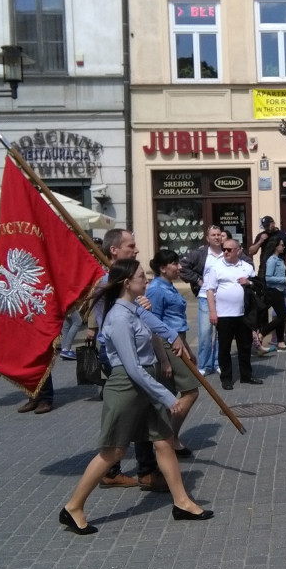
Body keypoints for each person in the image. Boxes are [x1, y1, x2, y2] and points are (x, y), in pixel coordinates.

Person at [59, 259, 213, 535]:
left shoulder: (134, 310)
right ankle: (73, 507)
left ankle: (182, 502)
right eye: (142, 277)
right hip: (127, 388)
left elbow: (154, 333)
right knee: (113, 451)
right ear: (127, 283)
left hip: (146, 384)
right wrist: (167, 396)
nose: (147, 280)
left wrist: (164, 355)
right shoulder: (118, 317)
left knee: (164, 441)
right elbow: (131, 368)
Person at [87, 228, 191, 491]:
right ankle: (109, 471)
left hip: (141, 353)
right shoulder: (107, 283)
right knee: (126, 413)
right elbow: (113, 321)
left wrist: (167, 338)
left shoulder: (131, 284)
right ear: (114, 250)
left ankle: (147, 470)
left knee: (146, 412)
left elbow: (146, 323)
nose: (136, 249)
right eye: (131, 245)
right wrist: (135, 307)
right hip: (119, 355)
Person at [147, 249, 200, 457]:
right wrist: (163, 359)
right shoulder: (156, 289)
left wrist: (187, 348)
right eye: (174, 264)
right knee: (191, 390)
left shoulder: (169, 286)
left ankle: (164, 437)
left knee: (171, 394)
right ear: (162, 268)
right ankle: (169, 437)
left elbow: (177, 323)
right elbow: (154, 325)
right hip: (167, 345)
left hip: (179, 341)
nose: (179, 267)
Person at [205, 238, 257, 390]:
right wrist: (212, 311)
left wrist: (249, 283)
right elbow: (210, 291)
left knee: (245, 346)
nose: (225, 252)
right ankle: (226, 378)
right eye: (224, 249)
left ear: (238, 250)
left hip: (243, 314)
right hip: (224, 314)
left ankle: (246, 375)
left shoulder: (247, 267)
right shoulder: (216, 267)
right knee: (224, 348)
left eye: (229, 249)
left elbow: (256, 286)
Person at [183, 225, 225, 375]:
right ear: (207, 238)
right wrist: (197, 280)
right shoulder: (200, 254)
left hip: (223, 298)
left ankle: (218, 362)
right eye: (213, 235)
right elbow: (183, 268)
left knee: (222, 332)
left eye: (219, 234)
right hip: (205, 297)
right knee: (206, 332)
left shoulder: (226, 253)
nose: (216, 237)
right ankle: (204, 365)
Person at [255, 237, 286, 353]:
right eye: (281, 244)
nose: (283, 247)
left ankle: (281, 342)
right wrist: (284, 280)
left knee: (281, 317)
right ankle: (263, 332)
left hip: (280, 291)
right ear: (276, 246)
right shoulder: (272, 260)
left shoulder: (280, 260)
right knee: (281, 317)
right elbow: (268, 278)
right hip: (273, 291)